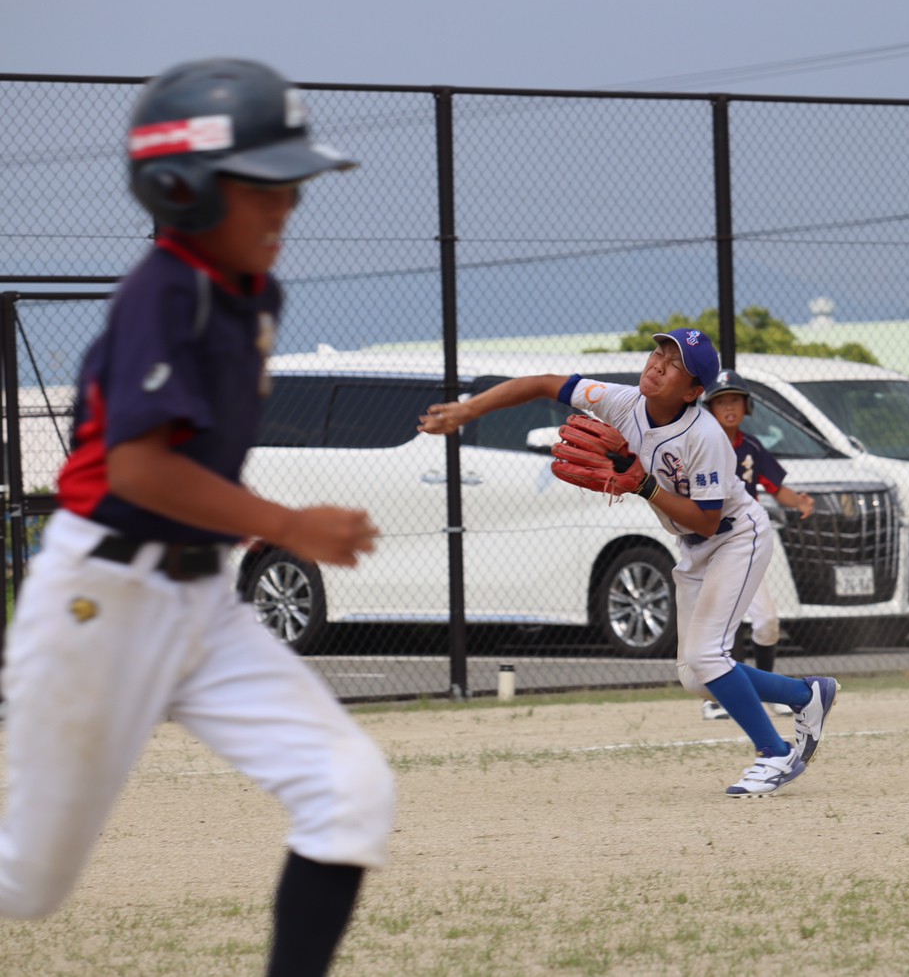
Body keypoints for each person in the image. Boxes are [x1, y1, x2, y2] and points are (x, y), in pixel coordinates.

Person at [0, 58, 395, 977]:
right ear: (181, 187)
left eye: (292, 185)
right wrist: (291, 524)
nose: (286, 204)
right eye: (262, 185)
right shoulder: (164, 290)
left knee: (350, 791)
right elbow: (139, 469)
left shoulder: (254, 294)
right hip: (102, 601)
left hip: (203, 604)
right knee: (26, 884)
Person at [417, 330, 837, 796]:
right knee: (696, 677)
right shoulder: (621, 401)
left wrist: (645, 487)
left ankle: (774, 754)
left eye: (674, 365)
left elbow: (707, 518)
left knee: (707, 657)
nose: (657, 364)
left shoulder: (704, 435)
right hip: (695, 547)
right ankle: (805, 695)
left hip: (737, 538)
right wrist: (468, 411)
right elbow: (542, 384)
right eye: (659, 353)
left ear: (693, 391)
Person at [698, 369, 816, 721]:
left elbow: (776, 488)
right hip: (707, 548)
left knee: (766, 621)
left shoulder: (750, 447)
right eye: (721, 401)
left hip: (744, 547)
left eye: (735, 400)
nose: (729, 407)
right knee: (721, 625)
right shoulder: (701, 444)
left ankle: (769, 691)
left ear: (747, 406)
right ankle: (718, 699)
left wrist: (799, 501)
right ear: (709, 408)